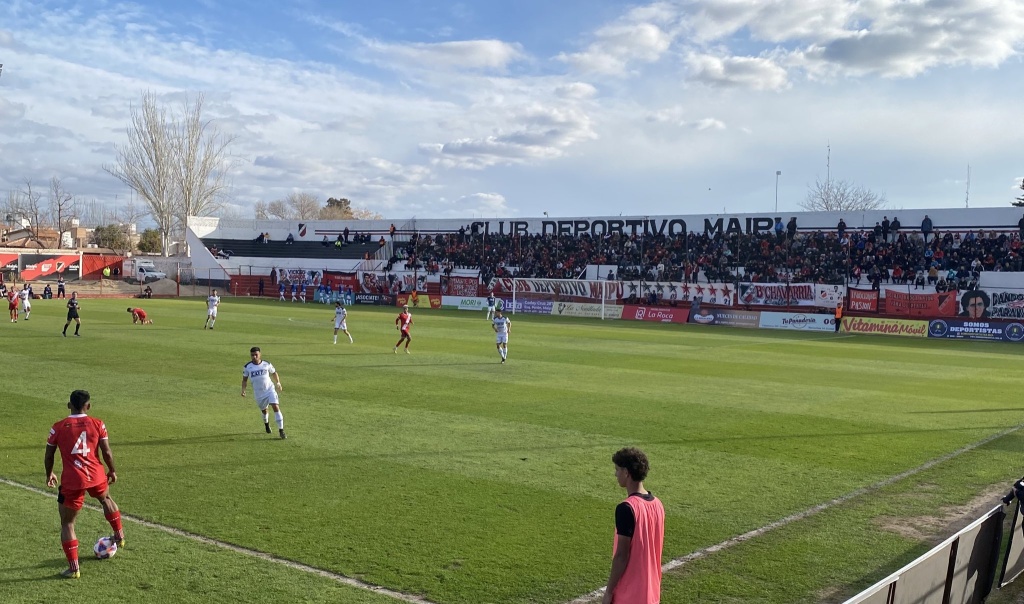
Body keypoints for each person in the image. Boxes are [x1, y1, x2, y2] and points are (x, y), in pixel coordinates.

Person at [44, 390, 126, 579]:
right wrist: (112, 470)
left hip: (73, 480)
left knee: (67, 523)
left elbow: (49, 455)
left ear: (69, 405)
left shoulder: (58, 427)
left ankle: (74, 569)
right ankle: (119, 536)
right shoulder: (97, 424)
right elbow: (106, 451)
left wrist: (49, 474)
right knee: (106, 498)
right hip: (96, 474)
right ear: (88, 406)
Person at [603, 447, 665, 604]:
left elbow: (622, 556)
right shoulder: (658, 504)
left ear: (626, 472)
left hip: (630, 594)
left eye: (617, 469)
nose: (615, 474)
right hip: (651, 592)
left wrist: (609, 591)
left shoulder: (626, 508)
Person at [241, 347, 286, 439]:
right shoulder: (247, 367)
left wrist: (278, 383)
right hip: (259, 394)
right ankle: (266, 424)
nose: (254, 356)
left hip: (270, 390)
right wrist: (243, 390)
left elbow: (274, 372)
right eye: (252, 355)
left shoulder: (267, 364)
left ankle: (281, 431)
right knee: (264, 411)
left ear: (260, 354)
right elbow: (244, 380)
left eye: (256, 354)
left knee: (275, 406)